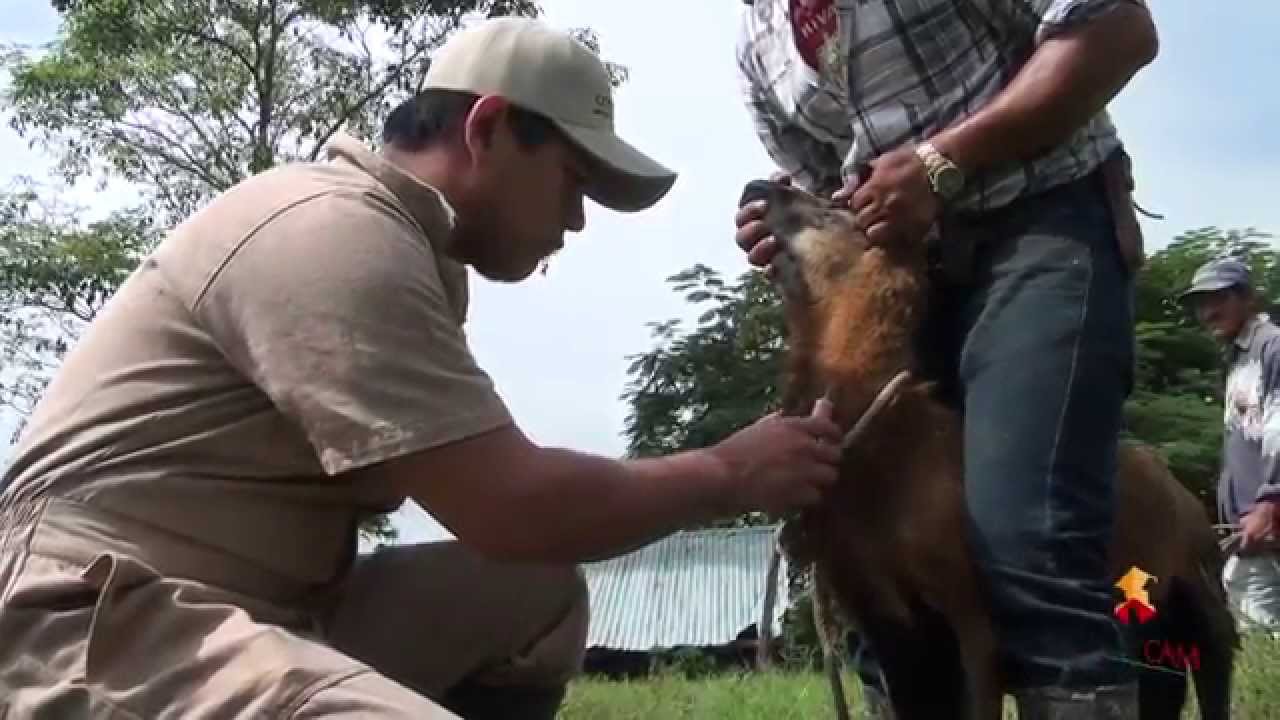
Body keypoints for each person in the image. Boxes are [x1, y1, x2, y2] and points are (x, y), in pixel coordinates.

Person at [0, 17, 845, 719]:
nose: (577, 223)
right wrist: (730, 471)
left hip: (257, 607)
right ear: (485, 130)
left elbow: (518, 536)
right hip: (88, 622)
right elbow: (512, 506)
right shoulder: (331, 234)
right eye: (572, 181)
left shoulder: (403, 251)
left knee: (529, 596)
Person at [732, 0, 1159, 717]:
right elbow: (827, 183)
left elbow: (1118, 31)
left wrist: (941, 162)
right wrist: (783, 221)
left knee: (1028, 538)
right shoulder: (758, 39)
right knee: (871, 554)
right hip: (898, 269)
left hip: (1040, 221)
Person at [1180, 257, 1280, 636]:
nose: (1207, 312)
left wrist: (1269, 503)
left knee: (1255, 621)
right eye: (1201, 303)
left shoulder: (1272, 350)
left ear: (1248, 298)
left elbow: (1278, 432)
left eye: (1218, 299)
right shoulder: (1241, 356)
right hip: (1255, 521)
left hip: (1266, 518)